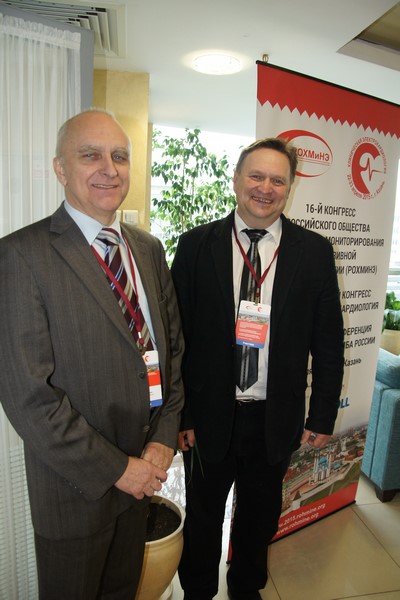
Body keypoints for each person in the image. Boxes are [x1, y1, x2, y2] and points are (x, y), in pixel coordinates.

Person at [0, 109, 184, 600]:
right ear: (60, 168)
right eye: (90, 155)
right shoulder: (21, 255)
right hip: (75, 491)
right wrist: (118, 469)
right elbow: (28, 397)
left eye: (120, 156)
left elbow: (171, 354)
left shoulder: (148, 249)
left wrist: (163, 438)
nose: (109, 168)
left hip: (142, 475)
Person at [171, 137, 344, 600]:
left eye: (277, 180)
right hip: (208, 418)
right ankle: (198, 592)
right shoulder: (195, 246)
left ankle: (245, 590)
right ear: (236, 180)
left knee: (258, 520)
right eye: (256, 176)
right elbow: (175, 339)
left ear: (290, 187)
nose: (265, 188)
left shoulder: (314, 252)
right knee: (203, 519)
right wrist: (181, 416)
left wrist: (321, 415)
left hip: (274, 417)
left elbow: (329, 341)